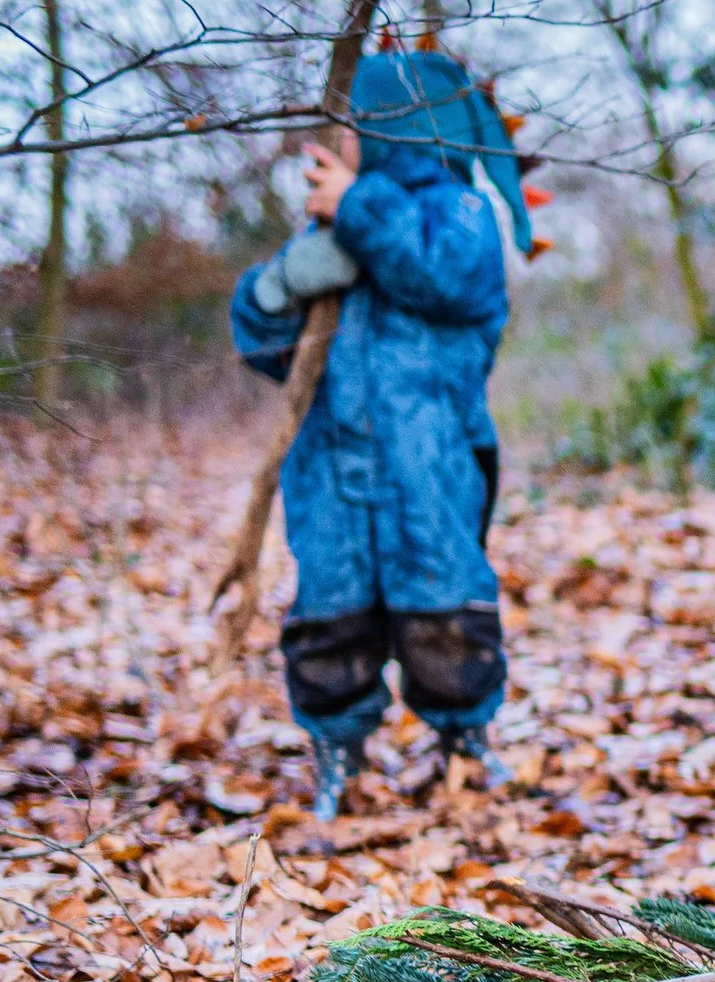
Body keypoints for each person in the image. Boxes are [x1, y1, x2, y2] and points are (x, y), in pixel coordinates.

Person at [231, 48, 538, 820]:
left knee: (444, 603)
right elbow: (268, 347)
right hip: (332, 464)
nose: (346, 148)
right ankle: (338, 747)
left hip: (430, 462)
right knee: (332, 607)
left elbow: (438, 274)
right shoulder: (337, 223)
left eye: (358, 131)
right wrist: (280, 287)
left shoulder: (458, 216)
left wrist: (357, 210)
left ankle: (463, 739)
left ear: (399, 130)